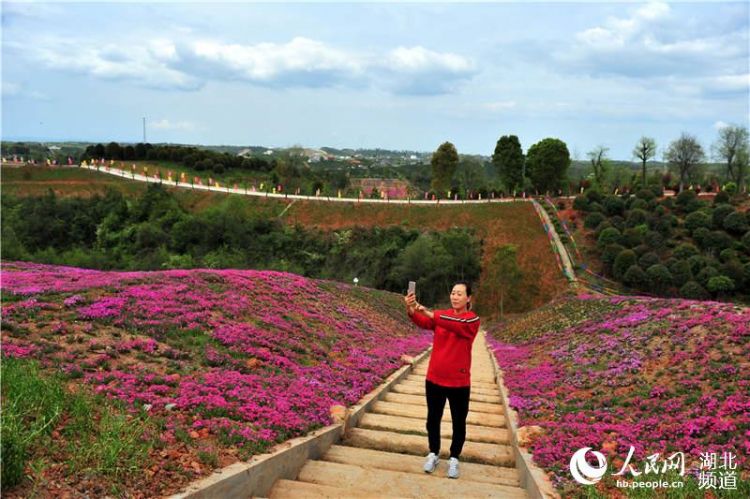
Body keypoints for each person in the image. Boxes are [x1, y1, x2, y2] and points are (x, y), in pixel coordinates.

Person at [404, 281, 480, 479]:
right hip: (435, 378)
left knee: (458, 422)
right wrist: (411, 309)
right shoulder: (443, 316)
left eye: (460, 294)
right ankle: (433, 453)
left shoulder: (471, 320)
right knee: (433, 419)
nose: (455, 297)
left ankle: (454, 458)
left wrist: (430, 312)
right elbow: (424, 322)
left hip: (459, 382)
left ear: (468, 298)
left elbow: (454, 323)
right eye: (453, 293)